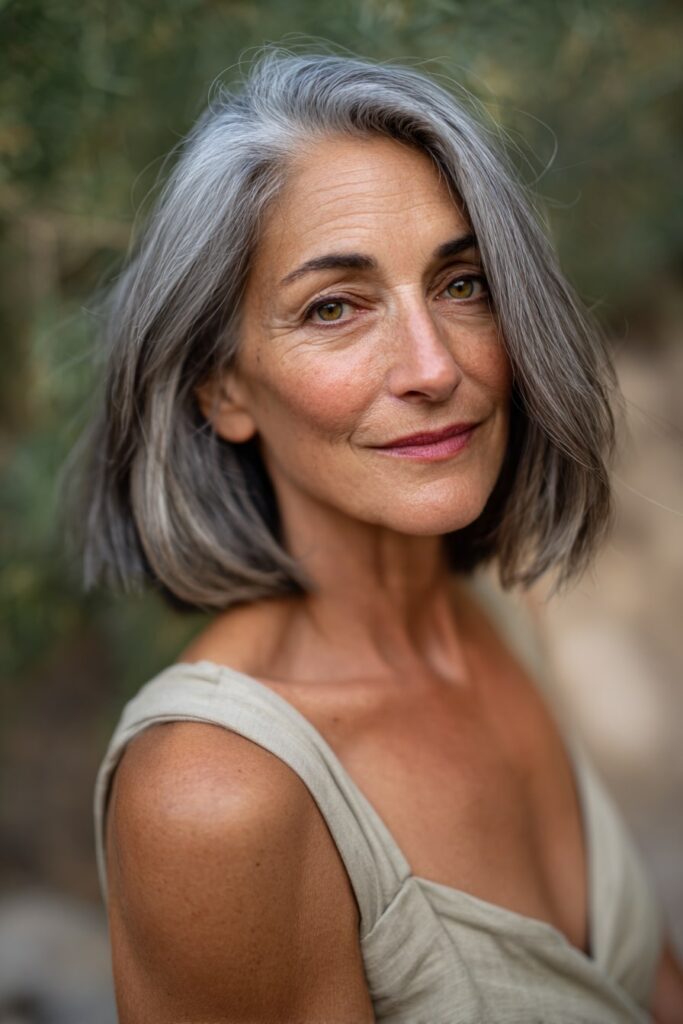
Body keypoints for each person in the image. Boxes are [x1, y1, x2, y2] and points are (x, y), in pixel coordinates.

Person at [74, 49, 683, 1022]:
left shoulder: (495, 615)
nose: (432, 365)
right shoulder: (217, 795)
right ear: (221, 387)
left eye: (463, 282)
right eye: (334, 307)